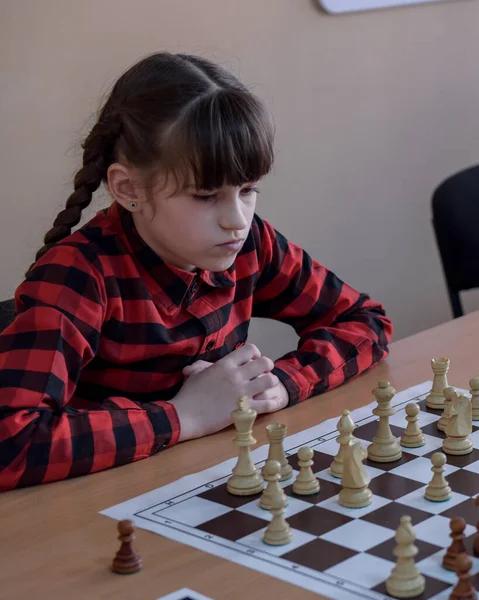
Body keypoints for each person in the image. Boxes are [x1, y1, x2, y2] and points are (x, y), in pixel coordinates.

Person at [0, 52, 392, 491]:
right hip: (91, 504)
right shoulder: (76, 276)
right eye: (206, 196)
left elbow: (365, 320)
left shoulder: (251, 244)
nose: (236, 219)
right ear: (129, 188)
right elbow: (11, 440)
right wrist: (184, 416)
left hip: (207, 482)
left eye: (247, 190)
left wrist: (282, 383)